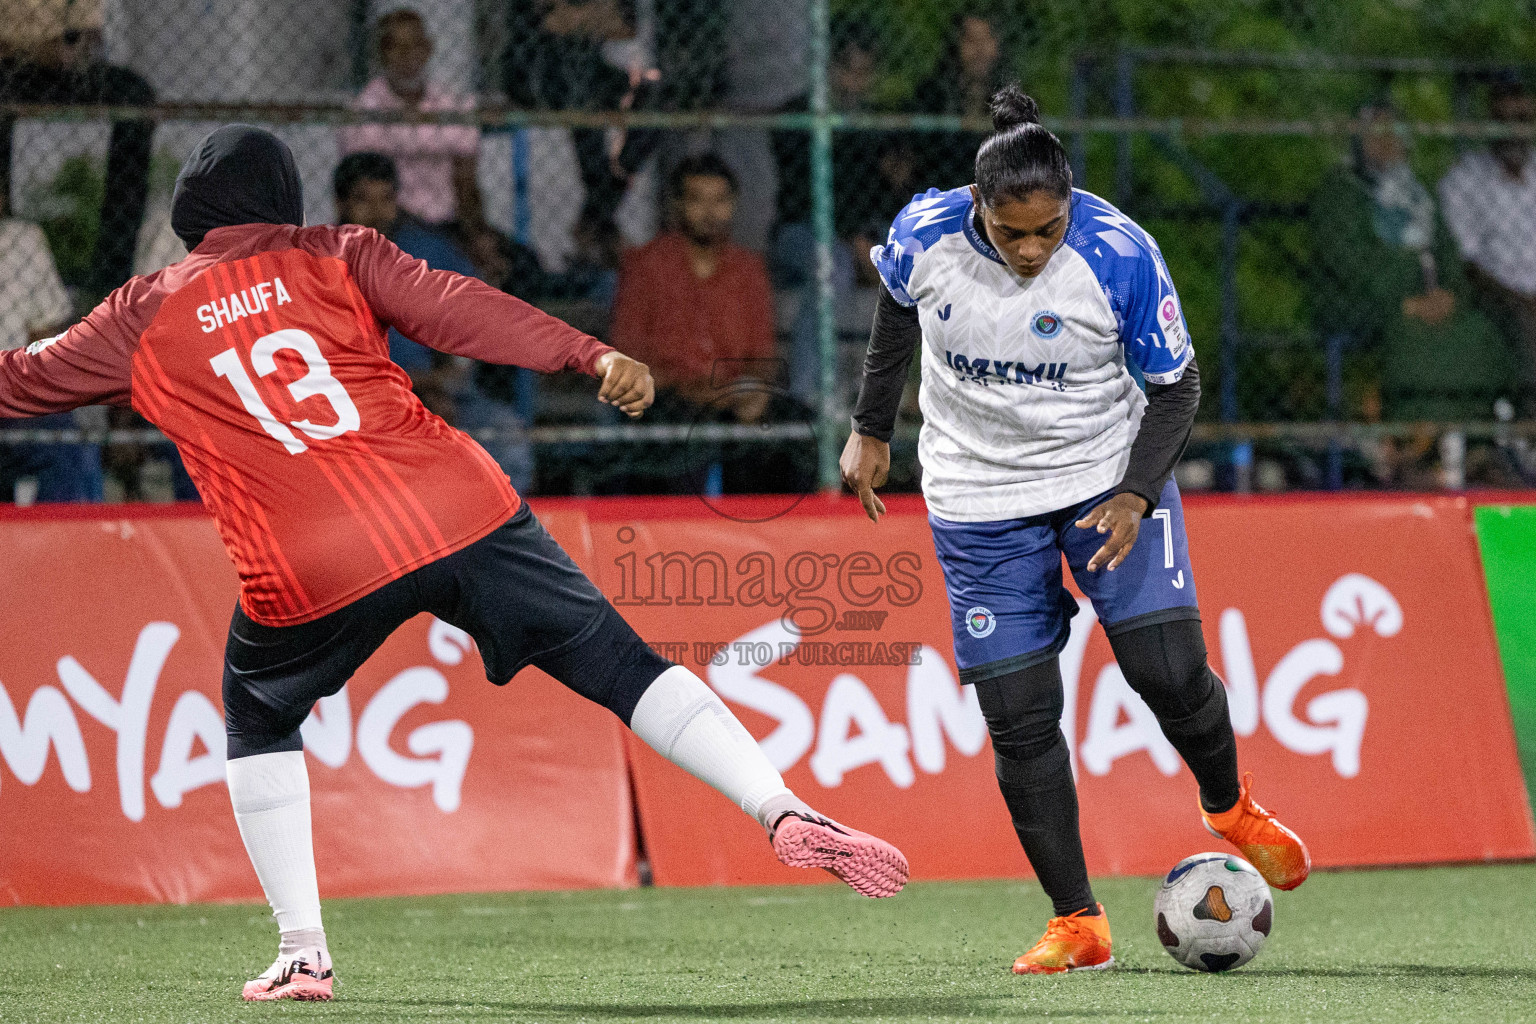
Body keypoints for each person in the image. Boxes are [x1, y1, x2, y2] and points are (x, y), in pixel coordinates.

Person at [0, 125, 907, 1002]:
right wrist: (584, 350)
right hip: (455, 504)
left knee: (257, 713)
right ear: (287, 198)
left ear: (189, 213)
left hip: (306, 557)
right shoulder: (340, 250)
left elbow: (20, 382)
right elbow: (459, 307)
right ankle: (781, 807)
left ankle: (303, 954)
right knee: (626, 667)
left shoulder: (142, 311)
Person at [839, 86, 1309, 975]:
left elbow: (1177, 388)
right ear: (977, 206)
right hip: (978, 500)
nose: (1028, 250)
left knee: (1166, 672)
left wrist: (1137, 492)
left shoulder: (1119, 253)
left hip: (1106, 482)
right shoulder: (924, 233)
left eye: (1046, 231)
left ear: (1069, 208)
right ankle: (1079, 922)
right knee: (1018, 719)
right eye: (1010, 232)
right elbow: (896, 308)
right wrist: (871, 427)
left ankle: (1228, 804)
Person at [1311, 103, 1516, 484]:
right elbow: (1346, 260)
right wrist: (1403, 299)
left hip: (1431, 299)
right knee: (1411, 335)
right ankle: (1415, 449)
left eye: (1395, 133)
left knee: (1479, 331)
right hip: (1364, 303)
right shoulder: (1341, 190)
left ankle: (1474, 443)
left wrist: (1450, 294)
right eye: (1377, 133)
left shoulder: (1418, 193)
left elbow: (1448, 254)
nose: (1388, 142)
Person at [333, 151, 534, 491]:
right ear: (341, 204)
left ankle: (509, 536)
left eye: (386, 199)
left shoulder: (431, 252)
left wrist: (436, 384)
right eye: (363, 200)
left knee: (504, 432)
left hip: (443, 394)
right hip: (359, 402)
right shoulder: (321, 263)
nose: (376, 212)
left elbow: (468, 338)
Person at [0, 0, 154, 298]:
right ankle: (6, 233)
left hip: (60, 66)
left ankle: (112, 272)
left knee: (135, 95)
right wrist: (36, 49)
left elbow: (90, 36)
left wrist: (72, 51)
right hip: (10, 70)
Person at [611, 154, 776, 420]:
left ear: (733, 204)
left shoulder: (748, 269)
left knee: (798, 430)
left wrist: (750, 389)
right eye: (697, 200)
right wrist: (686, 387)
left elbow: (761, 354)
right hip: (668, 398)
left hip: (733, 398)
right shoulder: (645, 266)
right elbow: (627, 352)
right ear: (678, 205)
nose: (710, 212)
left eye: (720, 201)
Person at [1438, 79, 1536, 414]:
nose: (1514, 130)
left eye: (1523, 120)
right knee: (1525, 323)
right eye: (1504, 120)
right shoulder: (1464, 180)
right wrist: (1522, 300)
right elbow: (1466, 265)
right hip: (1496, 295)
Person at [339, 8, 484, 233]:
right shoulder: (363, 110)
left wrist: (477, 234)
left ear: (428, 49)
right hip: (389, 227)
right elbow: (363, 192)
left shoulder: (452, 105)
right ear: (381, 54)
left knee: (518, 259)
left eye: (415, 44)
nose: (406, 55)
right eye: (395, 46)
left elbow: (466, 181)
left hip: (448, 223)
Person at [0, 198, 102, 501]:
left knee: (71, 445)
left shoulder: (20, 239)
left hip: (14, 390)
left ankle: (70, 544)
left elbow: (45, 334)